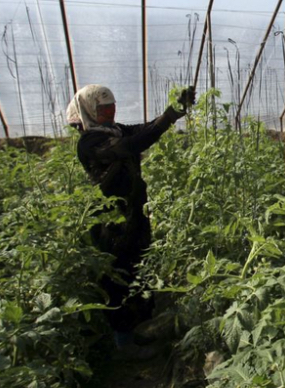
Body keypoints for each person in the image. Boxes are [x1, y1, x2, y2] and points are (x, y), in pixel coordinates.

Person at [66, 83, 195, 357]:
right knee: (118, 274)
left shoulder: (115, 129)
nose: (111, 111)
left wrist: (174, 110)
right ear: (88, 110)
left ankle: (143, 330)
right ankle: (123, 342)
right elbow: (132, 144)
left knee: (139, 266)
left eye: (112, 106)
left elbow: (143, 130)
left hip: (133, 213)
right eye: (103, 108)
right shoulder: (89, 142)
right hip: (110, 222)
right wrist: (169, 117)